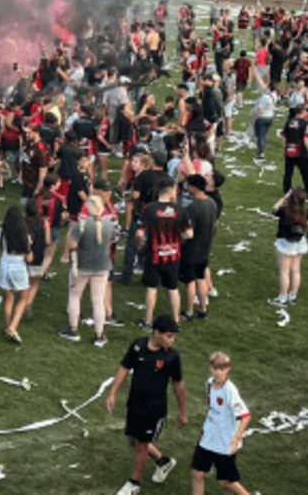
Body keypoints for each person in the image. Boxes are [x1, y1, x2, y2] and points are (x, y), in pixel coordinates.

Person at [105, 316, 188, 495]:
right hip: (134, 403)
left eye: (173, 336)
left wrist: (183, 412)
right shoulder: (138, 346)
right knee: (133, 440)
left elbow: (178, 385)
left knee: (142, 445)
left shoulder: (172, 357)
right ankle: (163, 462)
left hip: (154, 409)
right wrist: (112, 393)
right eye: (168, 336)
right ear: (156, 333)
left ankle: (133, 485)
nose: (171, 340)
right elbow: (124, 368)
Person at [191, 352, 261, 495]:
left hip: (224, 442)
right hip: (208, 437)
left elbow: (245, 416)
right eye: (215, 368)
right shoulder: (210, 383)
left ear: (228, 369)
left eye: (221, 369)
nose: (217, 372)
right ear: (209, 368)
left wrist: (236, 439)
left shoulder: (230, 391)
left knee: (225, 481)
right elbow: (212, 407)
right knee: (197, 474)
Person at [58, 195, 115, 346]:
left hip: (82, 265)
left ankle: (73, 329)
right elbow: (114, 239)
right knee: (98, 301)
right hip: (102, 266)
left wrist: (68, 253)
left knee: (75, 296)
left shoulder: (81, 225)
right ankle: (99, 334)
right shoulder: (110, 224)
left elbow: (71, 244)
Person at [135, 179, 193, 328]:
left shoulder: (149, 208)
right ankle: (176, 321)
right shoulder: (180, 210)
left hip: (154, 254)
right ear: (171, 190)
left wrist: (139, 244)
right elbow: (189, 234)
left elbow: (140, 233)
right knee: (173, 289)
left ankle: (148, 321)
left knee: (152, 288)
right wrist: (178, 242)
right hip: (173, 255)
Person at [180, 175, 218, 321]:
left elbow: (188, 233)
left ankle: (189, 311)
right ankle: (203, 309)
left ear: (194, 187)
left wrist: (179, 241)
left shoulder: (192, 208)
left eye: (188, 186)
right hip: (205, 248)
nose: (187, 189)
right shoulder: (212, 203)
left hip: (191, 250)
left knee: (189, 281)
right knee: (201, 278)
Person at [0, 205, 32, 343]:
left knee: (8, 298)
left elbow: (0, 251)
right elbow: (29, 257)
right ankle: (13, 327)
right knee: (23, 298)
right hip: (18, 266)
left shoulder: (2, 232)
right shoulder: (24, 235)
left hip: (5, 265)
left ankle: (8, 326)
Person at [269, 189, 308, 306]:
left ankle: (283, 296)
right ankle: (293, 294)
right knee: (296, 270)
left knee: (284, 271)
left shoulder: (284, 211)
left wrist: (284, 198)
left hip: (285, 243)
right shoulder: (304, 212)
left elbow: (274, 208)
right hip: (299, 243)